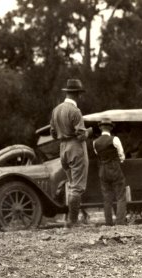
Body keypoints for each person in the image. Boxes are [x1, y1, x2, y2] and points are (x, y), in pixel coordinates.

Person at [50, 79, 92, 228]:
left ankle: (72, 218)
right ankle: (72, 222)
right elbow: (81, 135)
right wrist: (89, 131)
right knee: (77, 187)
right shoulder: (75, 111)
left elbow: (53, 133)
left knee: (72, 184)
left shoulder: (56, 110)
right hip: (76, 148)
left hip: (63, 149)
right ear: (77, 94)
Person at [93, 118, 127, 226]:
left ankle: (108, 223)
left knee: (107, 198)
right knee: (120, 196)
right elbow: (122, 155)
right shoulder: (115, 139)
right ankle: (120, 222)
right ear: (111, 128)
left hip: (102, 170)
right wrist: (119, 161)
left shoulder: (95, 142)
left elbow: (98, 155)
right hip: (114, 168)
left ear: (100, 128)